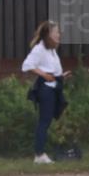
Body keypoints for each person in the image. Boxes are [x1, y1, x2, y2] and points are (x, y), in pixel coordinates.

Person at [21, 20, 70, 164]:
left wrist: (61, 76)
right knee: (44, 121)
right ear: (49, 34)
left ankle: (40, 153)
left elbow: (52, 70)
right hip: (45, 89)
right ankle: (39, 155)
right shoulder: (39, 49)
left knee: (47, 121)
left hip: (54, 87)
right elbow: (26, 65)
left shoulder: (52, 50)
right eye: (56, 32)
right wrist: (43, 75)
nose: (59, 34)